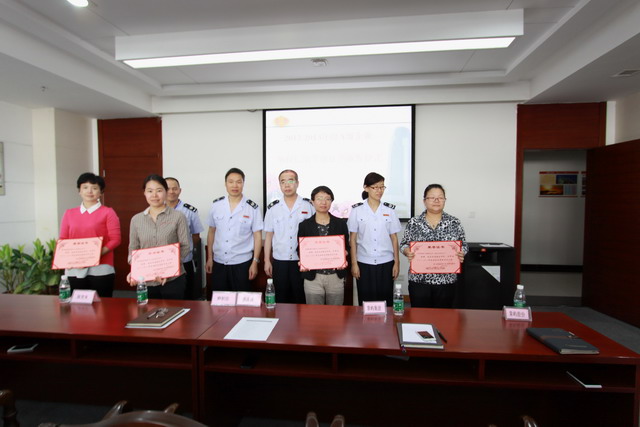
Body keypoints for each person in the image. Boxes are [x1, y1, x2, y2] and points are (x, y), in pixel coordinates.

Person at [400, 184, 468, 308]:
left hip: (446, 280)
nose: (436, 200)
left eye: (440, 197)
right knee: (420, 315)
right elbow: (404, 244)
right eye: (432, 197)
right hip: (419, 279)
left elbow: (463, 245)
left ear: (445, 200)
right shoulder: (414, 222)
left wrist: (461, 252)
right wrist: (407, 251)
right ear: (424, 201)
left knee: (444, 316)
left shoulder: (454, 222)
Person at [127, 174, 190, 299]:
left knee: (173, 310)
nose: (154, 195)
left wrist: (168, 270)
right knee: (147, 311)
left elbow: (185, 246)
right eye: (150, 191)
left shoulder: (178, 216)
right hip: (146, 280)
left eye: (159, 191)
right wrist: (134, 270)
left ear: (166, 192)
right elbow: (133, 248)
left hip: (173, 279)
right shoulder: (136, 220)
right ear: (144, 193)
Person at [59, 172, 121, 297]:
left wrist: (93, 256)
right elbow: (63, 239)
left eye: (94, 188)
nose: (89, 191)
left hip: (101, 268)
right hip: (74, 267)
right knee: (76, 304)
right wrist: (73, 259)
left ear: (101, 192)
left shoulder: (108, 212)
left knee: (103, 304)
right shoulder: (69, 213)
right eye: (85, 187)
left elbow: (115, 239)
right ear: (79, 191)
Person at [205, 168, 263, 293]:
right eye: (231, 182)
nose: (234, 185)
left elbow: (257, 236)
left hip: (242, 263)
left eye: (238, 182)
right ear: (225, 184)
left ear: (243, 183)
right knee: (220, 300)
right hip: (219, 262)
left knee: (242, 300)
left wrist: (255, 262)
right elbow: (211, 232)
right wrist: (209, 258)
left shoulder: (252, 208)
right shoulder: (216, 205)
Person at [348, 172, 401, 306]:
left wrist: (397, 263)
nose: (379, 191)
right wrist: (354, 264)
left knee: (386, 302)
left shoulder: (389, 210)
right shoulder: (357, 210)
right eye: (375, 187)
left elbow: (394, 238)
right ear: (366, 188)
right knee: (366, 302)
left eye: (382, 187)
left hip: (386, 262)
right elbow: (352, 239)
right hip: (364, 262)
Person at [263, 169, 315, 303]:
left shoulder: (308, 205)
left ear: (297, 183)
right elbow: (268, 236)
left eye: (290, 181)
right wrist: (267, 261)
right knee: (281, 299)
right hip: (280, 260)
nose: (287, 185)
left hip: (302, 261)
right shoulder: (273, 208)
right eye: (283, 182)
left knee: (300, 298)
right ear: (280, 185)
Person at [297, 186, 349, 305]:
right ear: (312, 201)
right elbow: (300, 249)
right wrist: (303, 261)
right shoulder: (304, 225)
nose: (323, 202)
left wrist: (344, 254)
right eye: (319, 198)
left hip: (335, 276)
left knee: (336, 313)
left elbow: (347, 247)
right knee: (314, 313)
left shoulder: (341, 223)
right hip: (312, 277)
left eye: (327, 199)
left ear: (331, 201)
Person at [165, 177, 205, 300]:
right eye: (168, 189)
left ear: (180, 190)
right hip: (163, 261)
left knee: (186, 296)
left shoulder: (189, 211)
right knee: (164, 297)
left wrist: (186, 250)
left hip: (184, 260)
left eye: (174, 189)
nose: (171, 192)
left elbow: (195, 236)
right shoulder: (155, 210)